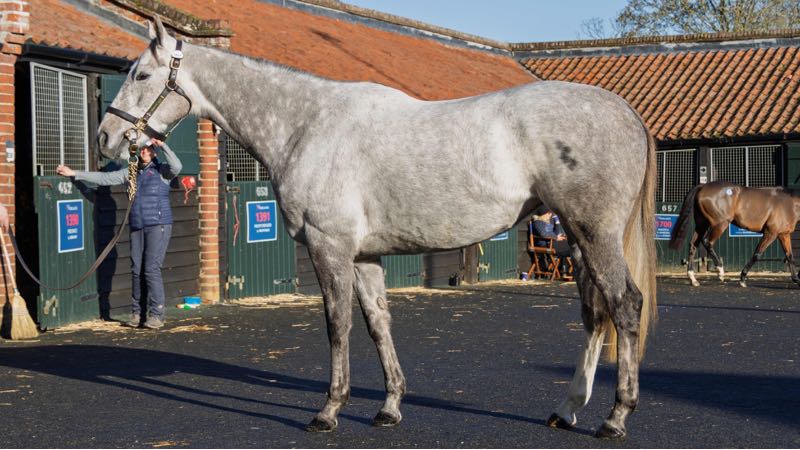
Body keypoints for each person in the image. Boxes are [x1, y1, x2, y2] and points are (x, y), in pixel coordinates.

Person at [56, 139, 182, 329]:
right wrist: (75, 174)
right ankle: (137, 313)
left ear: (154, 152)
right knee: (136, 269)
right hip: (137, 225)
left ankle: (157, 314)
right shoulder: (131, 172)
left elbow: (177, 166)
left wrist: (163, 145)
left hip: (158, 225)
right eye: (142, 149)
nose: (145, 152)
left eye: (148, 149)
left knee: (151, 269)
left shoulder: (163, 171)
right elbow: (106, 178)